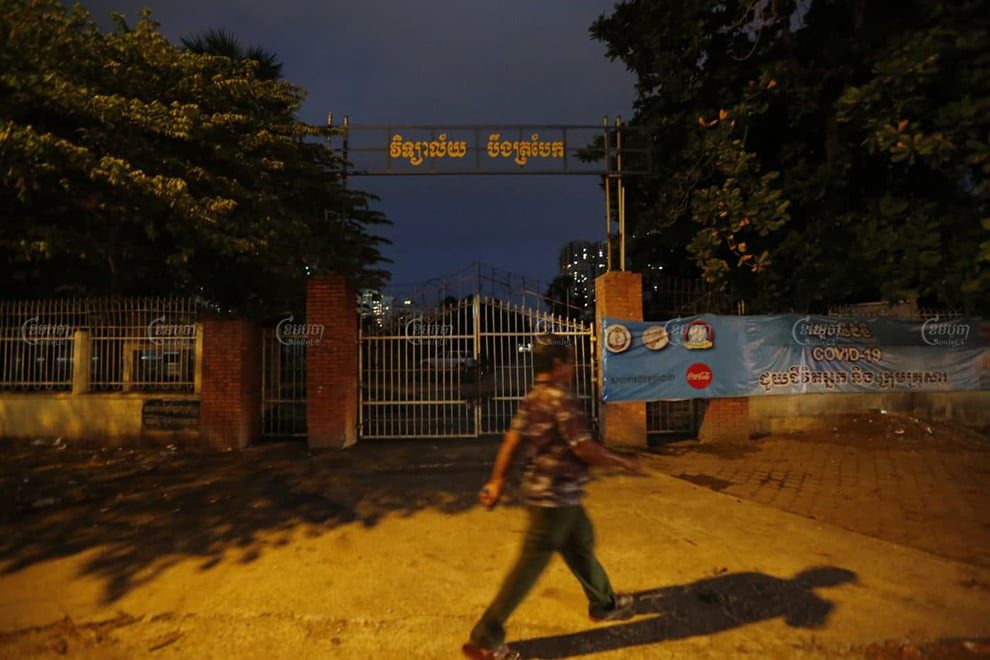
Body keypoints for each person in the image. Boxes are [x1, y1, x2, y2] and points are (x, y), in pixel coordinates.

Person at [462, 335, 647, 660]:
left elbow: (512, 441)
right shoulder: (561, 399)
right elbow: (583, 448)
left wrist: (497, 481)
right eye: (571, 361)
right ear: (559, 364)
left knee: (582, 544)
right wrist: (624, 461)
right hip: (553, 502)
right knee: (527, 570)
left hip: (562, 498)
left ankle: (604, 603)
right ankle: (485, 638)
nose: (574, 368)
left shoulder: (534, 397)